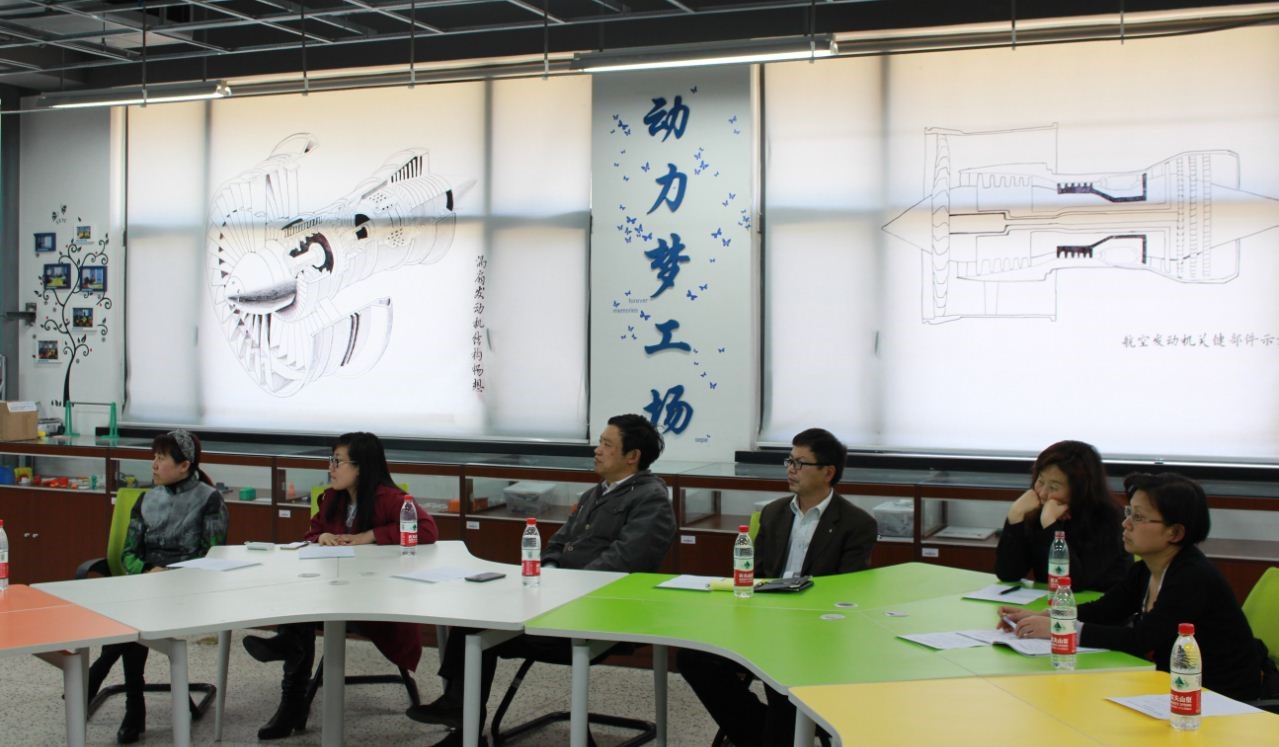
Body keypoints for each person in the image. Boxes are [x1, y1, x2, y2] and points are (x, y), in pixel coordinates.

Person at [407, 414, 675, 747]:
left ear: (632, 456)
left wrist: (563, 585)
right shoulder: (596, 493)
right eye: (599, 442)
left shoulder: (651, 498)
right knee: (473, 620)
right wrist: (547, 570)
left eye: (607, 444)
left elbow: (625, 560)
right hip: (556, 600)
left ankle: (461, 715)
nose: (597, 450)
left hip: (600, 613)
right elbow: (558, 542)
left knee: (481, 628)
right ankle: (462, 722)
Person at [680, 427, 877, 747]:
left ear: (828, 472)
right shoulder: (773, 513)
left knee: (783, 680)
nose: (791, 469)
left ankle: (776, 734)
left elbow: (847, 592)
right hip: (765, 620)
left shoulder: (856, 523)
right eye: (789, 461)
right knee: (694, 658)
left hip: (813, 630)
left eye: (801, 463)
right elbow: (755, 575)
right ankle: (758, 733)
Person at [241, 431, 438, 740]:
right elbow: (312, 533)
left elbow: (427, 530)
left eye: (338, 462)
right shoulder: (333, 498)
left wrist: (370, 536)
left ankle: (289, 673)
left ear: (361, 467)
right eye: (330, 460)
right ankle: (291, 700)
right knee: (300, 601)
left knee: (302, 618)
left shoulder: (390, 498)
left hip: (376, 602)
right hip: (334, 593)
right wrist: (321, 537)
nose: (330, 468)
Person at [1000, 472, 1265, 702]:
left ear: (1174, 533)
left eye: (1138, 517)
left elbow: (1141, 639)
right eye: (1129, 512)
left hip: (1217, 698)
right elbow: (1106, 609)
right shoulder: (1147, 568)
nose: (1125, 524)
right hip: (1173, 688)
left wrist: (1062, 629)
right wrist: (1047, 616)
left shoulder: (1192, 576)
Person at [85, 430, 229, 744]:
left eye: (161, 458)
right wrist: (148, 570)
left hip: (188, 586)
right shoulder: (146, 499)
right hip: (147, 582)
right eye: (154, 457)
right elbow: (128, 553)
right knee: (137, 614)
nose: (153, 464)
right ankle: (132, 705)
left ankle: (114, 685)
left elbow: (213, 554)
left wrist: (171, 573)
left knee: (132, 618)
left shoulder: (209, 499)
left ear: (184, 465)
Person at [994, 440, 1130, 592]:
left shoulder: (1108, 518)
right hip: (1051, 602)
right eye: (1040, 481)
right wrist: (1015, 516)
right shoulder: (1038, 510)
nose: (1042, 493)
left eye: (1053, 487)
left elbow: (1073, 583)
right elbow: (1008, 574)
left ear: (1079, 490)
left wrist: (1049, 525)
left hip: (1100, 603)